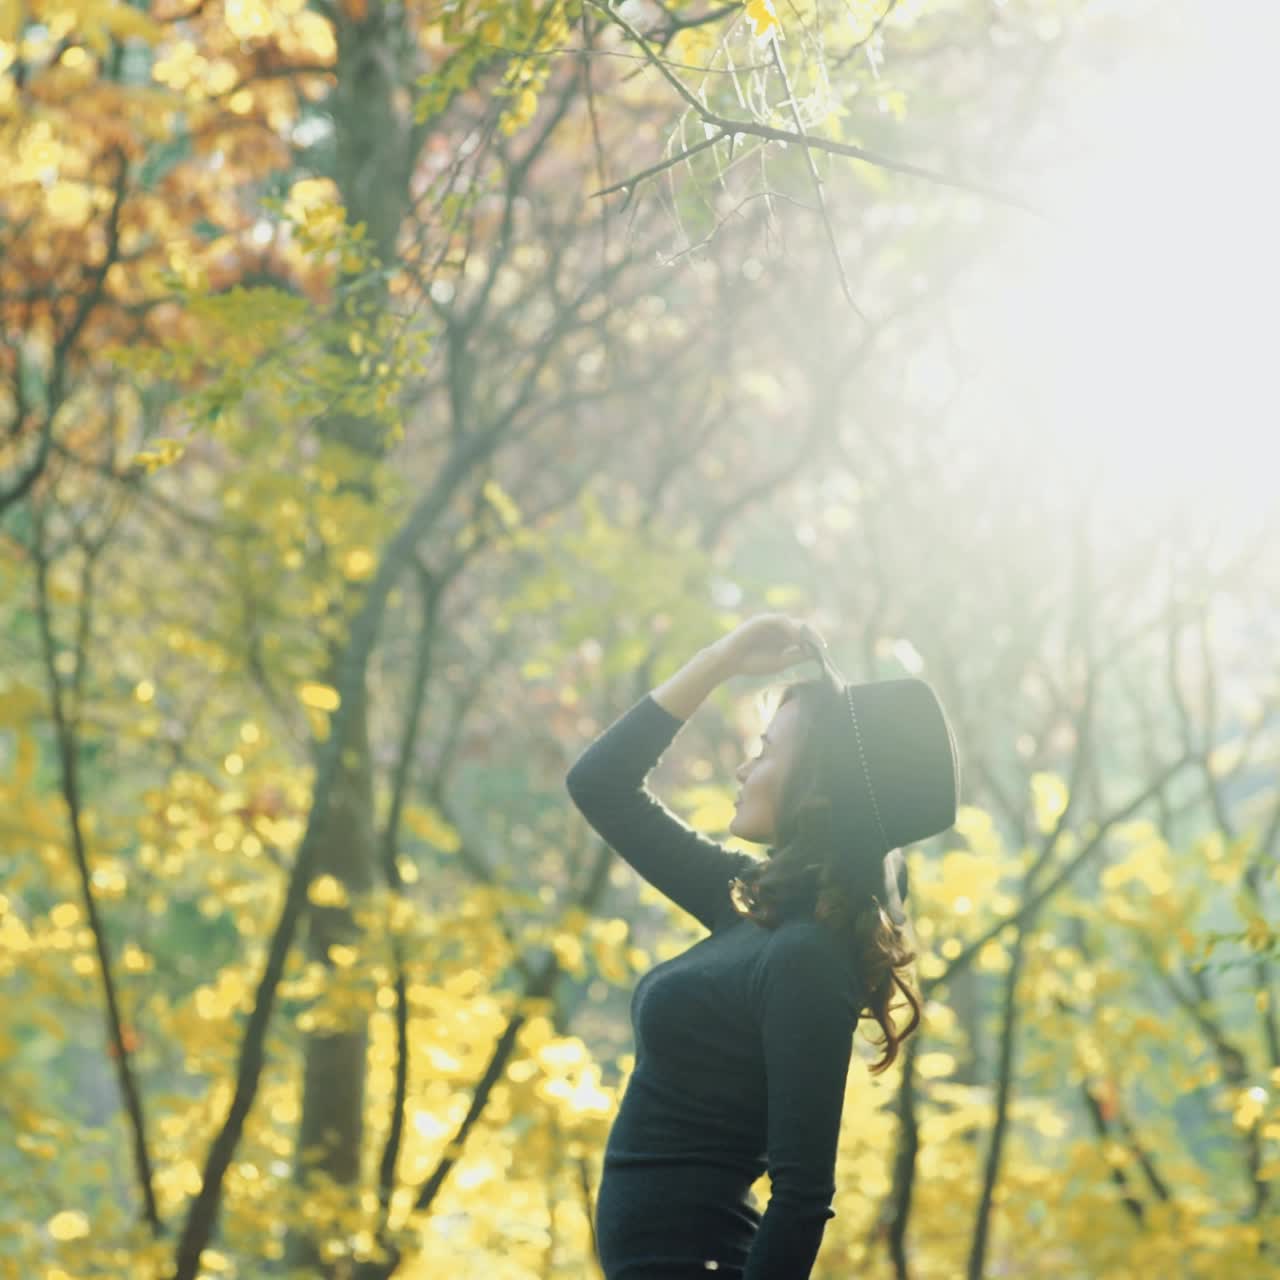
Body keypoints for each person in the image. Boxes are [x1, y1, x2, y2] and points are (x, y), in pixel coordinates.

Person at [565, 614, 960, 1280]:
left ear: (818, 783)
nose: (745, 766)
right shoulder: (751, 902)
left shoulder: (805, 957)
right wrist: (719, 660)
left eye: (767, 749)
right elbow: (600, 784)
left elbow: (803, 1198)